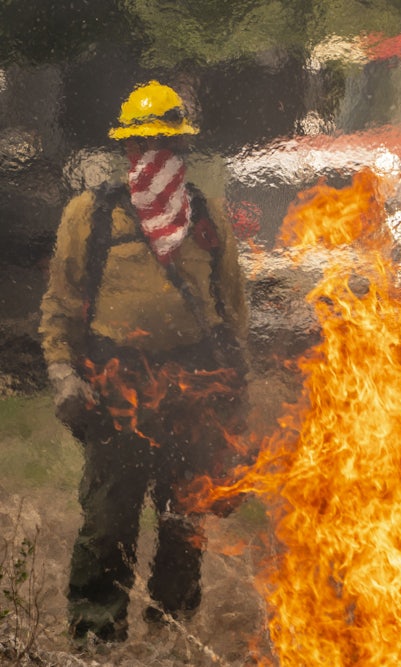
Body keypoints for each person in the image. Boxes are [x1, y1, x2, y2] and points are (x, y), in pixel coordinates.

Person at [39, 80, 249, 644]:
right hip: (117, 388)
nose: (157, 155)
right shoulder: (91, 216)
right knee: (109, 520)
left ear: (182, 151)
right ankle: (96, 632)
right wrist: (62, 371)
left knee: (185, 521)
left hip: (194, 388)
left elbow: (232, 311)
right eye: (145, 144)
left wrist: (236, 396)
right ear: (128, 151)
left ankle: (172, 631)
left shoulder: (205, 220)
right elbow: (60, 304)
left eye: (169, 144)